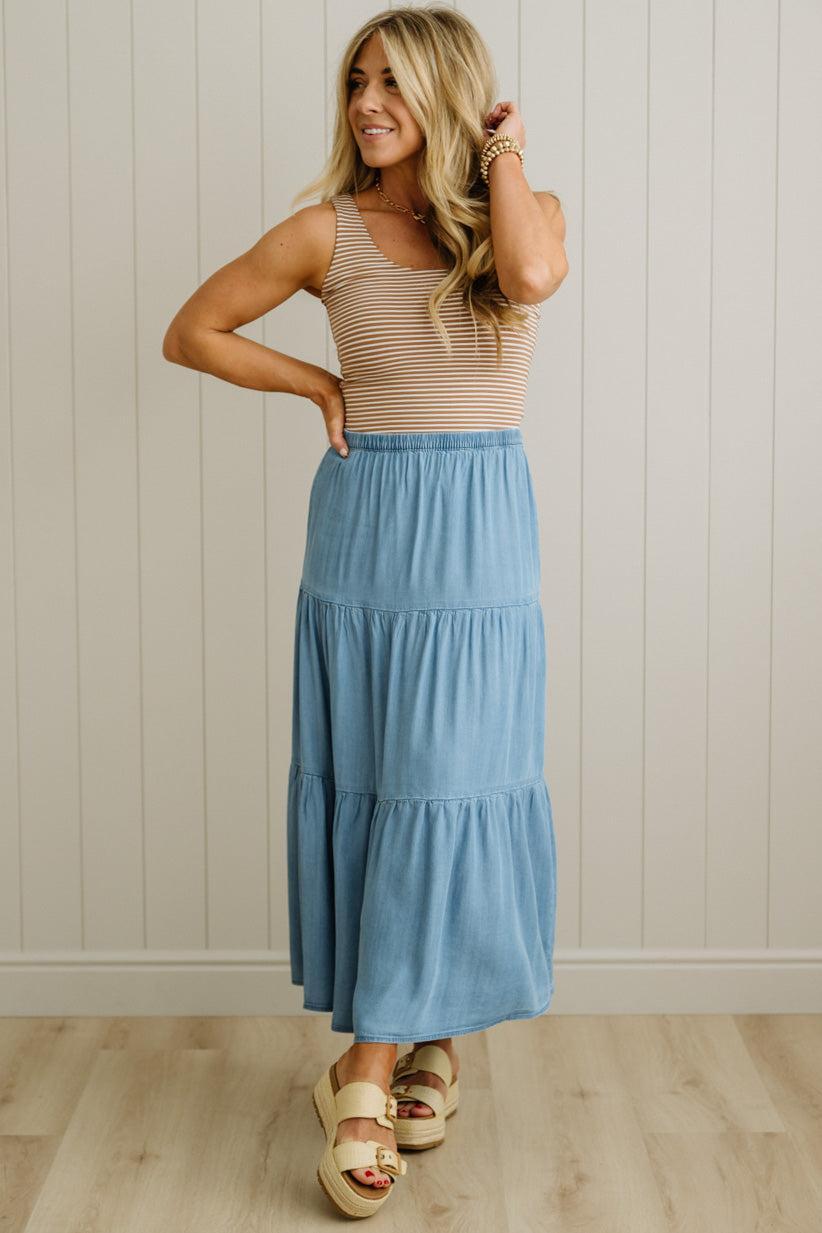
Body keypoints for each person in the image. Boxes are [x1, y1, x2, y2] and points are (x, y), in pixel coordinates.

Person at [163, 5, 567, 1219]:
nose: (368, 102)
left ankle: (412, 1037)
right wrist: (317, 379)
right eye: (356, 81)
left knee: (457, 779)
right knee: (389, 781)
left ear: (452, 94)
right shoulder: (323, 234)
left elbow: (535, 274)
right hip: (374, 534)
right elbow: (194, 332)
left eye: (395, 81)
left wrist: (500, 150)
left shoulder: (519, 216)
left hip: (484, 543)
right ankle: (372, 1061)